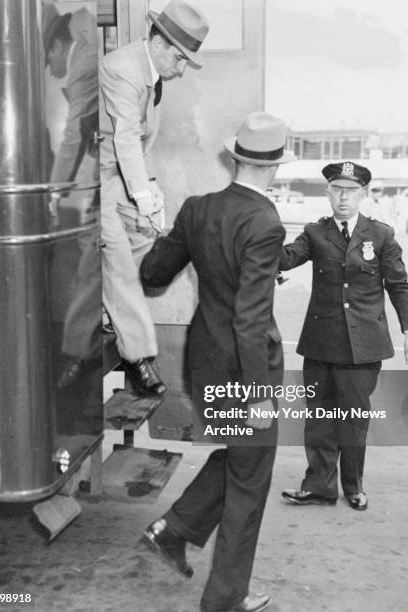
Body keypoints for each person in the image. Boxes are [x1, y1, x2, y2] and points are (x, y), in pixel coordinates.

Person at [140, 112, 295, 612]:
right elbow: (250, 322)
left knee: (240, 458)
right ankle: (226, 598)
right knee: (251, 476)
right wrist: (260, 397)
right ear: (274, 167)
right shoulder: (265, 222)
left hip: (205, 362)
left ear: (235, 157)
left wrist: (149, 233)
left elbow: (154, 273)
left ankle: (175, 527)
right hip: (247, 370)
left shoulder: (198, 208)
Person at [280, 161, 408, 511]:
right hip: (321, 342)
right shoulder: (316, 233)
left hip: (363, 346)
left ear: (364, 194)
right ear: (328, 193)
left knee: (354, 419)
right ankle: (318, 486)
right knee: (319, 417)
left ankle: (353, 485)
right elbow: (286, 258)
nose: (343, 197)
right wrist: (261, 240)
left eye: (351, 191)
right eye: (336, 190)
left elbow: (398, 286)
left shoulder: (381, 235)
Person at [99, 0, 209, 395]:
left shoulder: (154, 74)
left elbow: (141, 148)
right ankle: (138, 358)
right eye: (180, 60)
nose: (181, 71)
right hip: (90, 178)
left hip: (121, 173)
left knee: (150, 245)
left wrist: (151, 187)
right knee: (117, 258)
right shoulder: (121, 69)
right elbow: (126, 136)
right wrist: (142, 196)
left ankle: (111, 310)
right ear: (159, 43)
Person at [42, 5, 101, 388]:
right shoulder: (90, 43)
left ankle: (78, 354)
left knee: (91, 253)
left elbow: (74, 136)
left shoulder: (82, 60)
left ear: (61, 44)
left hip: (108, 171)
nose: (49, 68)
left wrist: (54, 188)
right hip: (106, 168)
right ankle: (84, 347)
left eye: (48, 56)